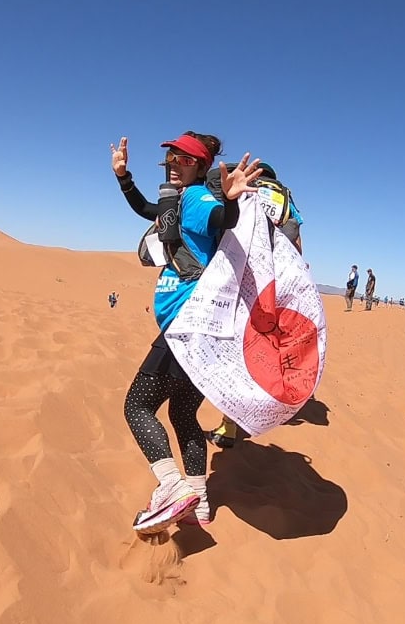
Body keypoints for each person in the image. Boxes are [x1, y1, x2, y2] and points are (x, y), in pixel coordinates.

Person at [111, 132, 262, 534]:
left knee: (136, 406)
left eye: (183, 160)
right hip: (202, 333)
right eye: (171, 159)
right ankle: (200, 501)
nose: (173, 165)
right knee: (182, 412)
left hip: (186, 327)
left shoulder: (197, 200)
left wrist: (229, 203)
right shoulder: (178, 201)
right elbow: (147, 210)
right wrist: (124, 178)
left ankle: (172, 487)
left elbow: (217, 220)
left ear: (200, 166)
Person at [204, 161, 306, 449]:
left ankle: (229, 423)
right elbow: (296, 240)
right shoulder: (284, 196)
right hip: (269, 283)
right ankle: (244, 415)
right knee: (255, 345)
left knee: (230, 346)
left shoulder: (247, 186)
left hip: (239, 275)